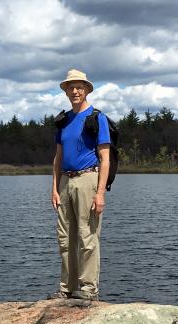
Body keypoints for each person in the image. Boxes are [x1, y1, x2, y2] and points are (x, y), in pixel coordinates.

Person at [49, 69, 110, 301]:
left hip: (88, 180)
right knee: (65, 237)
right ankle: (67, 287)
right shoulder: (64, 120)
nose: (75, 91)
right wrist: (54, 187)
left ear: (86, 90)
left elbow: (105, 158)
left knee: (87, 236)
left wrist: (100, 193)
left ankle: (88, 289)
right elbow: (58, 157)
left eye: (79, 87)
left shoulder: (97, 118)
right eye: (71, 87)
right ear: (66, 92)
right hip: (65, 181)